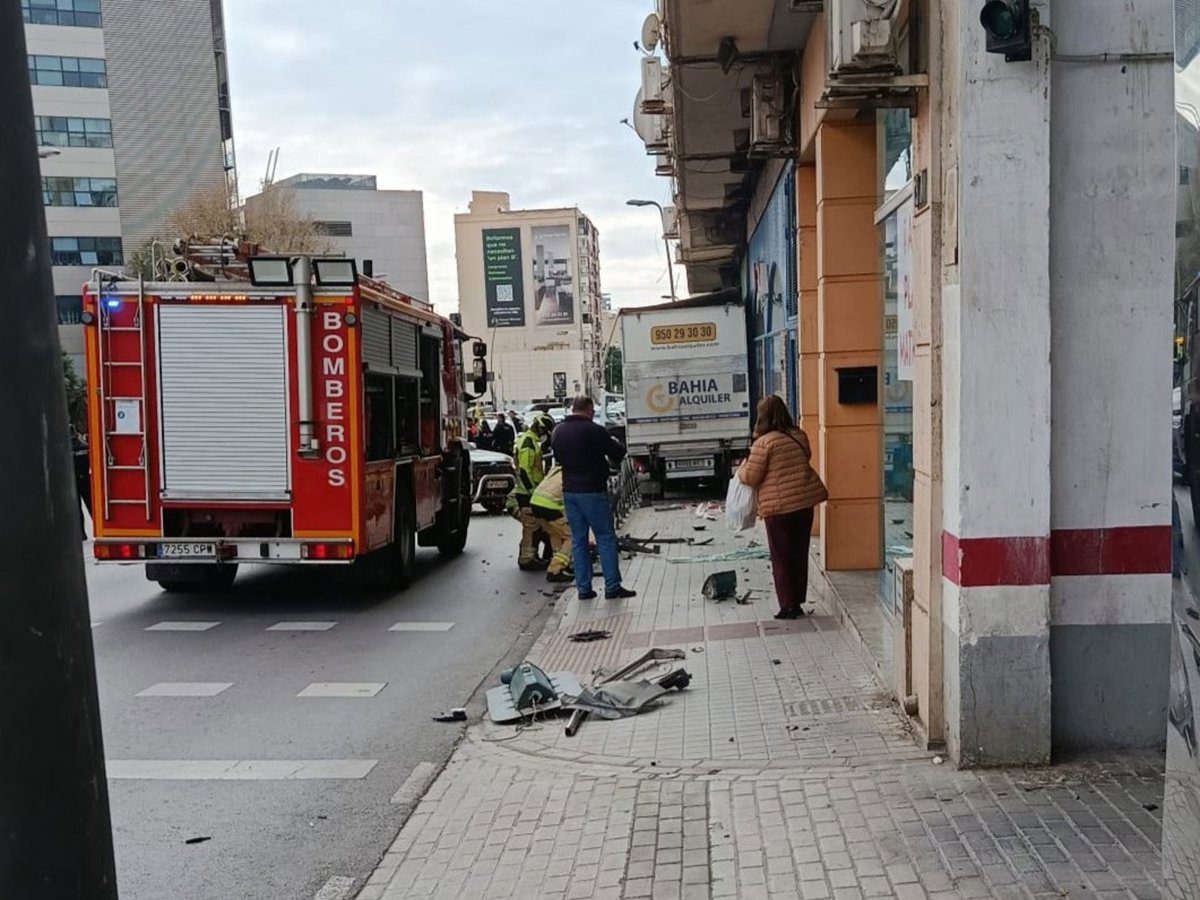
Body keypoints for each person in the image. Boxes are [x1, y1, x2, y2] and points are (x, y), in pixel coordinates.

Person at [736, 395, 828, 619]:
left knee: (781, 557)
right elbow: (805, 457)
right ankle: (797, 600)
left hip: (779, 510)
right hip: (804, 504)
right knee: (799, 554)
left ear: (763, 416)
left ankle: (788, 606)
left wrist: (741, 469)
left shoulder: (764, 443)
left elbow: (752, 477)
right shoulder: (799, 436)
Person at [551, 395, 634, 600]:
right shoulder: (595, 430)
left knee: (579, 541)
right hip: (593, 491)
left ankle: (584, 589)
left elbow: (558, 458)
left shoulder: (559, 432)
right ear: (589, 410)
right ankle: (612, 586)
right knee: (605, 538)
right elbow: (618, 452)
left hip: (570, 491)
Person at [506, 415, 553, 570]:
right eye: (544, 431)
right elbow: (525, 471)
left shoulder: (531, 441)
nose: (544, 435)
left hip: (529, 492)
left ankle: (530, 556)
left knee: (534, 525)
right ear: (539, 427)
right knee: (532, 526)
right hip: (526, 494)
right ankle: (527, 560)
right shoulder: (528, 443)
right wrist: (533, 493)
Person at [530, 464, 573, 582]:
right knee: (571, 537)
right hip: (550, 506)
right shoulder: (574, 474)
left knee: (555, 534)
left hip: (535, 502)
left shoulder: (557, 469)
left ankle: (561, 564)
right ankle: (555, 569)